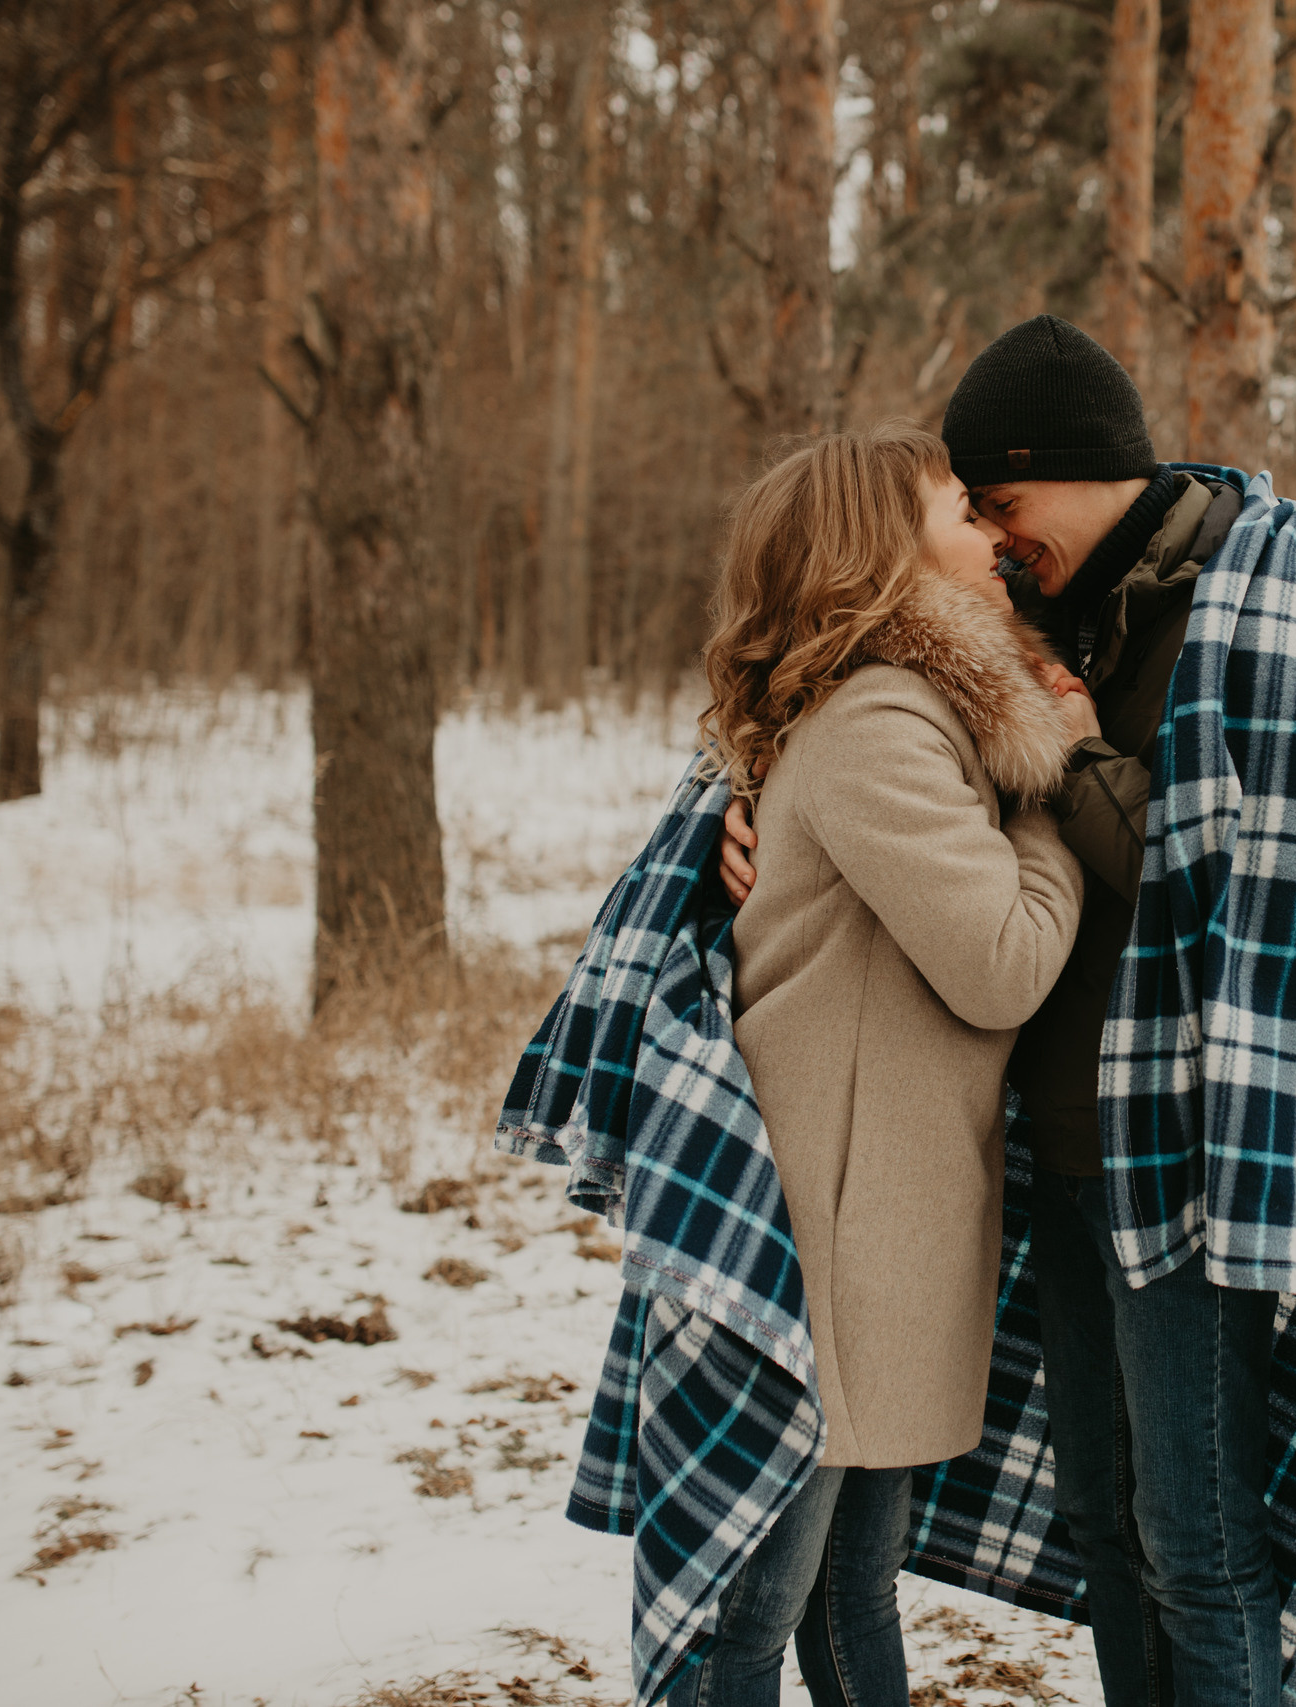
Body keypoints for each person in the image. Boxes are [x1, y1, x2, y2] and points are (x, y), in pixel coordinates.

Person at [718, 318, 1296, 1707]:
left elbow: (1245, 871)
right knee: (1107, 1527)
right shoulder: (1033, 618)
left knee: (1199, 1545)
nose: (993, 538)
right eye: (971, 512)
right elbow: (860, 716)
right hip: (1058, 1145)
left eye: (1001, 501)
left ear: (1070, 467)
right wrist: (745, 815)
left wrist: (1069, 761)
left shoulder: (1252, 600)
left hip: (1194, 1149)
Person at [504, 421, 1090, 1707]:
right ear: (883, 550)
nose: (991, 533)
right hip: (830, 1242)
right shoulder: (883, 721)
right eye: (959, 509)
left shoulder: (889, 711)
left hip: (877, 1222)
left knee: (843, 1595)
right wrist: (1051, 802)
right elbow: (1002, 964)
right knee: (749, 1618)